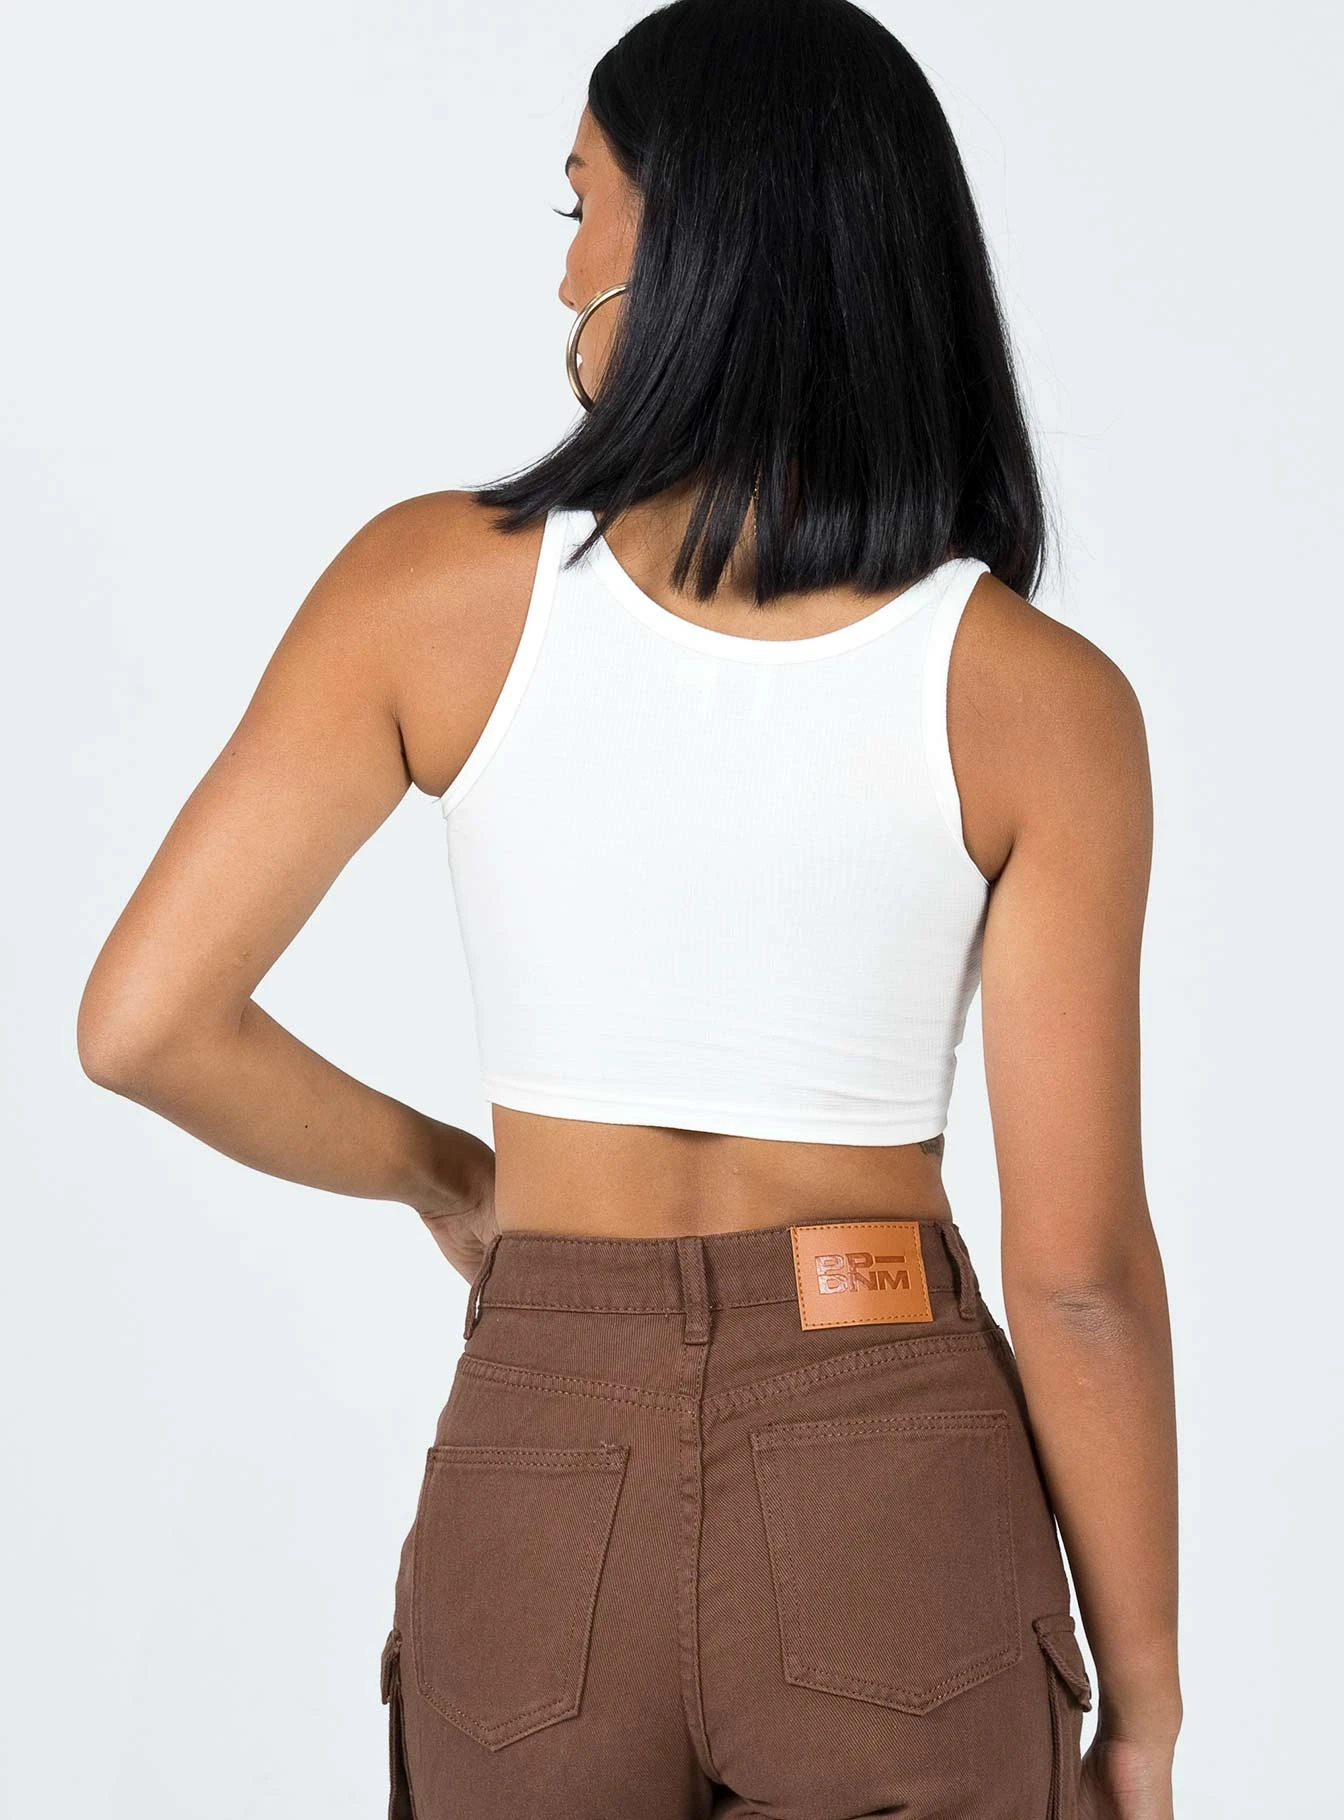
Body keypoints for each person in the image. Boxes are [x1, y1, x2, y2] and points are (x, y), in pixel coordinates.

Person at [76, 2, 1181, 1815]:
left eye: (580, 203)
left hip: (543, 1458)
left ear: (692, 240)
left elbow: (144, 1025)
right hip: (890, 1461)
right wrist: (1141, 1709)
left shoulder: (427, 590)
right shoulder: (1039, 699)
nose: (565, 266)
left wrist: (455, 1179)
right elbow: (1077, 1281)